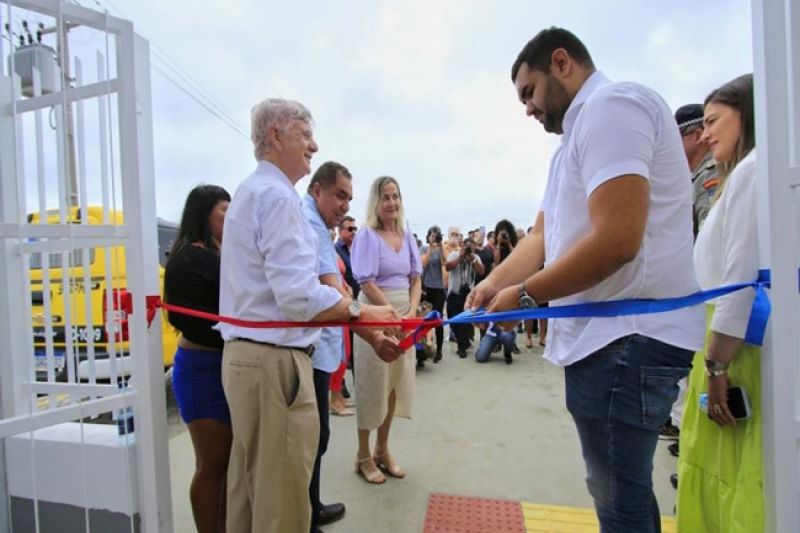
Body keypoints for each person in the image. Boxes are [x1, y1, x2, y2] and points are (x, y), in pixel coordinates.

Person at [468, 28, 705, 532]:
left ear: (561, 63)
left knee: (620, 499)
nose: (527, 109)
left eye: (529, 92)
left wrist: (527, 294)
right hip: (610, 339)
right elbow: (542, 235)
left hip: (628, 337)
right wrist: (494, 284)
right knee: (612, 490)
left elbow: (619, 239)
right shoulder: (573, 140)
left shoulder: (611, 107)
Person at [218, 98, 402, 533]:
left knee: (252, 496)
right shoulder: (279, 198)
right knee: (282, 506)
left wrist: (366, 325)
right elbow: (299, 296)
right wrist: (365, 314)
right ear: (275, 136)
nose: (314, 146)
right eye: (305, 135)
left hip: (252, 358)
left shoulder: (252, 191)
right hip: (274, 363)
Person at [677, 74, 764, 533]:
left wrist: (716, 367)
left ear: (747, 114)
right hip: (724, 339)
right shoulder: (745, 174)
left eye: (713, 120)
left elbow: (738, 280)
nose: (705, 133)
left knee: (727, 473)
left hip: (731, 347)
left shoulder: (751, 172)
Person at [164, 184, 231, 533]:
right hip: (202, 371)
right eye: (224, 211)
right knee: (211, 463)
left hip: (226, 367)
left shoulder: (223, 254)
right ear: (204, 213)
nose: (231, 218)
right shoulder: (189, 257)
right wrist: (234, 333)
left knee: (227, 463)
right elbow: (184, 320)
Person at [351, 176, 423, 485]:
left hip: (403, 318)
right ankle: (363, 455)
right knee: (371, 386)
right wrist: (391, 315)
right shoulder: (367, 235)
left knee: (393, 385)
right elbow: (366, 282)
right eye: (385, 198)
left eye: (395, 196)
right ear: (376, 203)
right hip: (375, 315)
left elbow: (415, 278)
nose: (391, 202)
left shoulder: (406, 236)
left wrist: (410, 312)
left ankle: (383, 449)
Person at [302, 161, 357, 531]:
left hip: (321, 347)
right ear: (316, 190)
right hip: (310, 348)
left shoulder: (319, 226)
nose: (344, 206)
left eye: (349, 199)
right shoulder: (308, 223)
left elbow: (334, 284)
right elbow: (327, 286)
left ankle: (311, 507)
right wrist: (361, 312)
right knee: (312, 436)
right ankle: (306, 516)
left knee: (317, 434)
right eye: (340, 195)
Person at [675, 104, 719, 237]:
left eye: (676, 136)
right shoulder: (698, 175)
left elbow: (709, 233)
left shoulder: (710, 174)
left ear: (697, 135)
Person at [445, 237, 485, 358]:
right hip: (454, 294)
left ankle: (461, 348)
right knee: (453, 321)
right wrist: (461, 256)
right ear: (462, 245)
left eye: (472, 245)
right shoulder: (454, 254)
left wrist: (472, 258)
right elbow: (448, 267)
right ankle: (464, 341)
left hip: (468, 295)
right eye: (467, 245)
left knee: (464, 322)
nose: (469, 248)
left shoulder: (475, 257)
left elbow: (481, 271)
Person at [420, 225, 447, 362]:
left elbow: (445, 263)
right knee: (424, 319)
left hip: (438, 288)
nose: (435, 237)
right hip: (426, 288)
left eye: (437, 235)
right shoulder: (424, 248)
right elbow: (423, 264)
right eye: (432, 235)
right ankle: (425, 348)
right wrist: (430, 246)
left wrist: (440, 245)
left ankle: (439, 350)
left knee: (438, 320)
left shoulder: (442, 248)